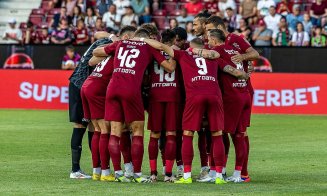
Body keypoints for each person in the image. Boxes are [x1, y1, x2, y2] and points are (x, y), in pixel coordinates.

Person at [140, 36, 249, 184]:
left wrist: (142, 38)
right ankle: (218, 177)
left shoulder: (184, 54)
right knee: (217, 134)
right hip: (214, 95)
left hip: (194, 96)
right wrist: (246, 74)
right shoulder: (213, 57)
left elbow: (161, 47)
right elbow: (235, 72)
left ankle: (186, 176)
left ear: (191, 47)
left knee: (188, 134)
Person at [96, 28, 176, 183]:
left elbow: (97, 53)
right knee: (137, 130)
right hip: (131, 89)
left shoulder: (120, 43)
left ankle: (119, 173)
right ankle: (138, 175)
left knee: (115, 131)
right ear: (146, 38)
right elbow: (169, 67)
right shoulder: (148, 47)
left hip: (112, 88)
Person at [205, 15, 259, 182]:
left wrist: (243, 60)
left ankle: (221, 171)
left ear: (219, 28)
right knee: (238, 134)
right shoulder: (230, 49)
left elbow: (254, 54)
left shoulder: (232, 41)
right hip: (241, 91)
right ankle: (236, 173)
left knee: (223, 132)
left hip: (233, 95)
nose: (207, 34)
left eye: (209, 30)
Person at [81, 25, 137, 182]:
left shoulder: (113, 49)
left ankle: (96, 171)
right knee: (105, 130)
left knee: (97, 129)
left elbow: (91, 61)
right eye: (133, 38)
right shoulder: (123, 50)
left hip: (88, 85)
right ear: (126, 38)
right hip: (98, 87)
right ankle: (105, 172)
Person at [68, 34, 112, 179]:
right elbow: (92, 62)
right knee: (81, 126)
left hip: (81, 83)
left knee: (94, 126)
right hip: (81, 84)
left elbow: (98, 33)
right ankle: (75, 170)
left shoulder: (104, 39)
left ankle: (97, 168)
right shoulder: (109, 44)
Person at [146, 29, 183, 183]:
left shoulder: (152, 50)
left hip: (155, 95)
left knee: (154, 135)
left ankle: (153, 173)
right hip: (173, 96)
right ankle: (168, 174)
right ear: (174, 39)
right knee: (171, 135)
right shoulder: (178, 52)